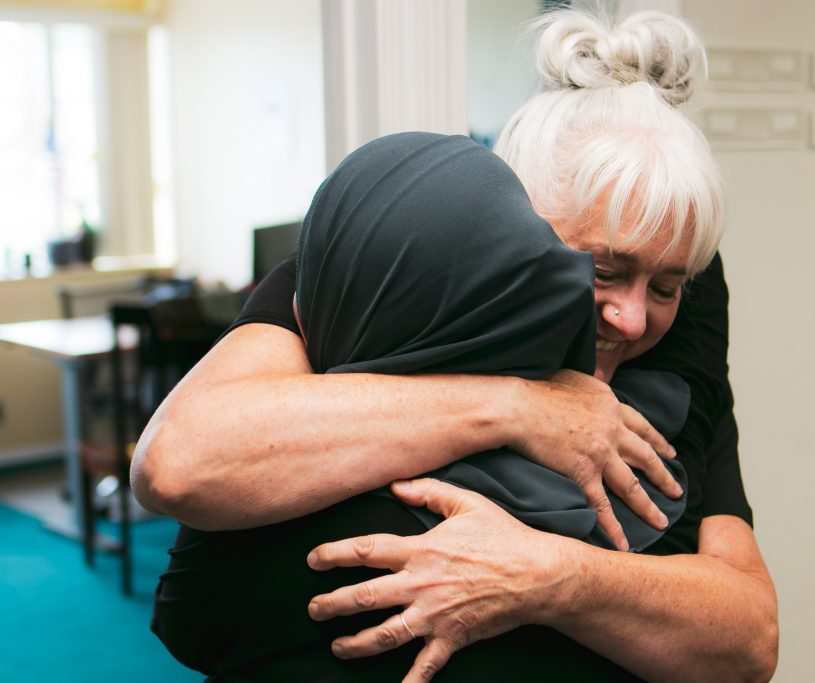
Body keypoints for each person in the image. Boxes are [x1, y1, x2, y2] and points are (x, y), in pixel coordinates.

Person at [132, 8, 778, 682]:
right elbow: (180, 464)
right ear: (512, 228)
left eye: (668, 285)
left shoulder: (679, 322)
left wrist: (548, 575)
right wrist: (516, 405)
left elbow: (750, 640)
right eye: (603, 271)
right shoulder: (387, 263)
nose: (634, 317)